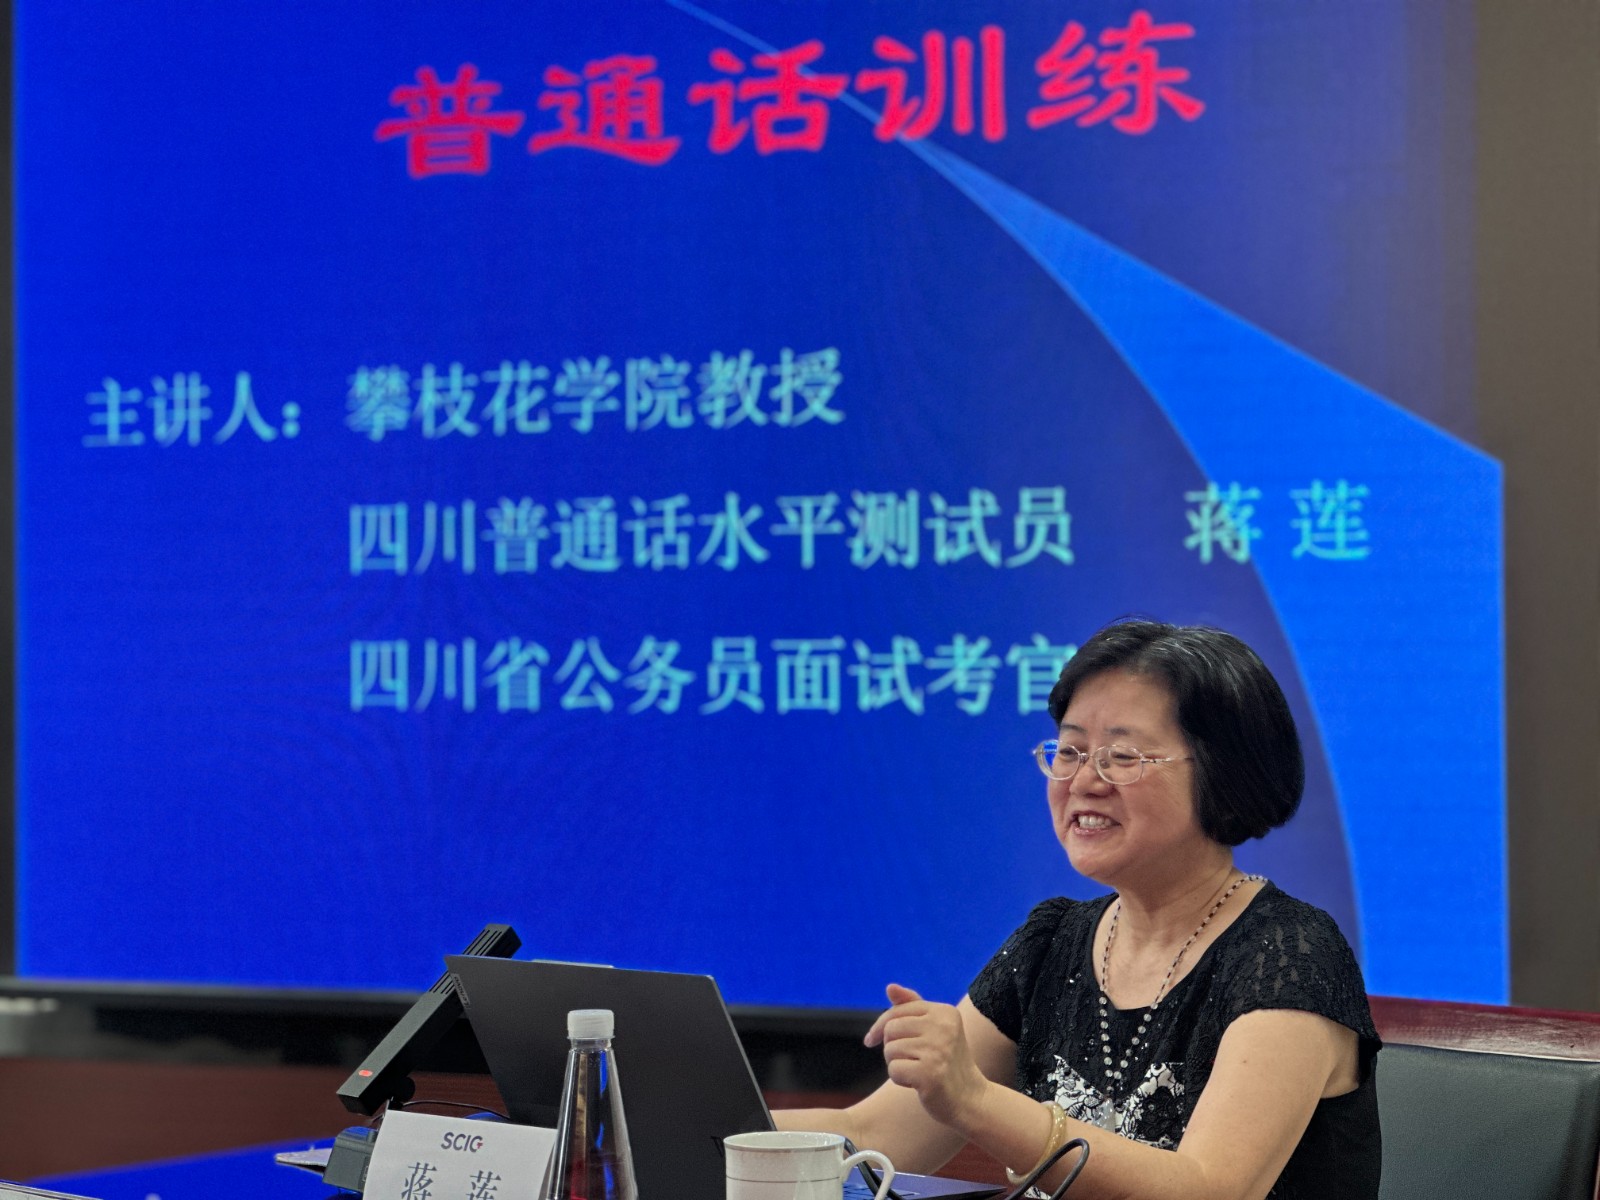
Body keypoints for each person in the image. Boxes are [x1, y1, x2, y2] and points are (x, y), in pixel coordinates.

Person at [776, 620, 1381, 1200]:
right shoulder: (1053, 941)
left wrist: (975, 1100)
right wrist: (725, 1117)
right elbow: (873, 1137)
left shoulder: (1289, 955)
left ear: (1224, 775)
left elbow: (1208, 1189)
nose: (1083, 781)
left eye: (1122, 757)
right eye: (1069, 751)